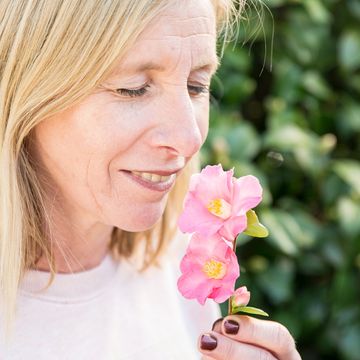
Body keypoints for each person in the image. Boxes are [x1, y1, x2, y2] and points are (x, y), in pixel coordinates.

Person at [0, 0, 301, 358]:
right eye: (133, 88)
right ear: (24, 93)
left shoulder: (184, 261)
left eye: (196, 85)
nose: (190, 139)